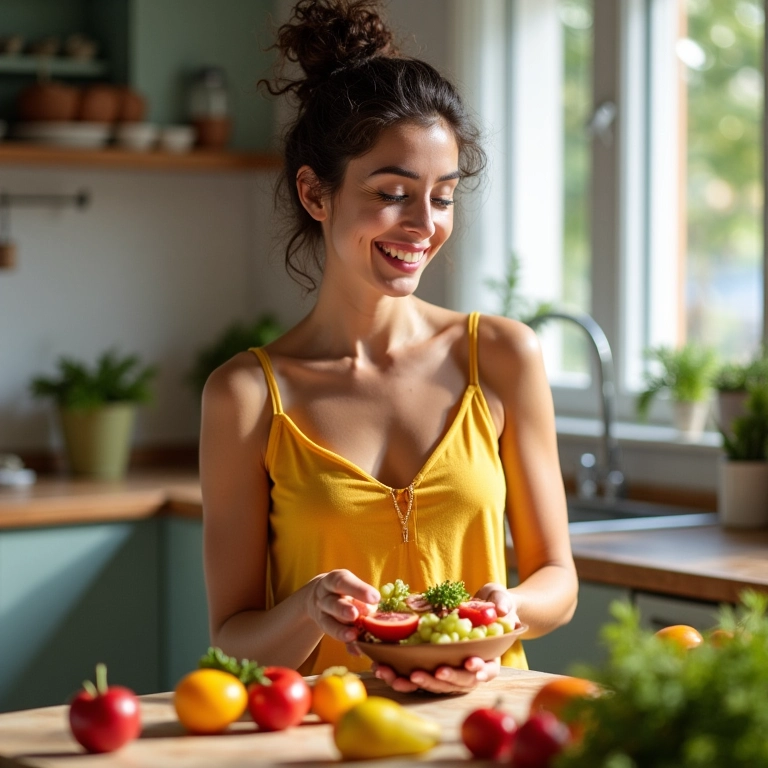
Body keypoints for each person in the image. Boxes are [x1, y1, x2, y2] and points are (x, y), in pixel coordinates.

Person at [200, 0, 577, 695]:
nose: (423, 226)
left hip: (486, 728)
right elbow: (234, 635)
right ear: (315, 193)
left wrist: (505, 612)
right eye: (393, 193)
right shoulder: (248, 395)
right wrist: (309, 608)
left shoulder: (500, 356)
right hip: (326, 733)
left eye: (442, 196)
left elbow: (558, 580)